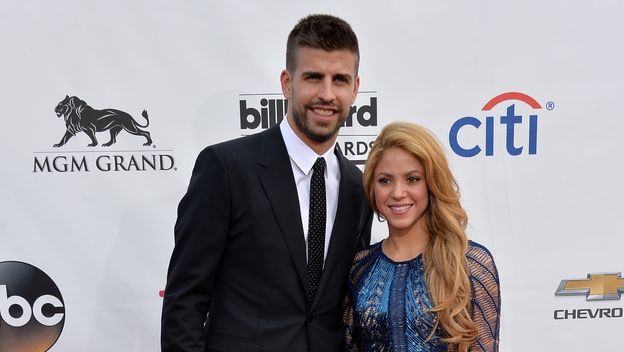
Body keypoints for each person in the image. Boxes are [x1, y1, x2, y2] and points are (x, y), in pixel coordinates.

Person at [161, 14, 373, 352]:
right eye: (313, 77)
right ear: (287, 83)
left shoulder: (358, 187)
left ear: (355, 89)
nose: (327, 94)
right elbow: (184, 301)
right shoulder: (227, 168)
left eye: (340, 80)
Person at [344, 122, 500, 352]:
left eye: (413, 179)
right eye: (385, 180)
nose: (398, 193)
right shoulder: (359, 267)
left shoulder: (468, 263)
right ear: (372, 187)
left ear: (432, 184)